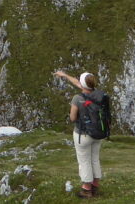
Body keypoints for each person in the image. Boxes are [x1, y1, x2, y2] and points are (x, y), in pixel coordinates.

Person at [55, 70, 104, 198]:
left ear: (83, 85)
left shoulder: (77, 99)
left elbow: (72, 118)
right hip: (97, 133)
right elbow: (79, 83)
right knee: (94, 159)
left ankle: (86, 190)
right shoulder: (99, 95)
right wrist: (65, 76)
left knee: (84, 161)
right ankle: (95, 185)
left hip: (82, 135)